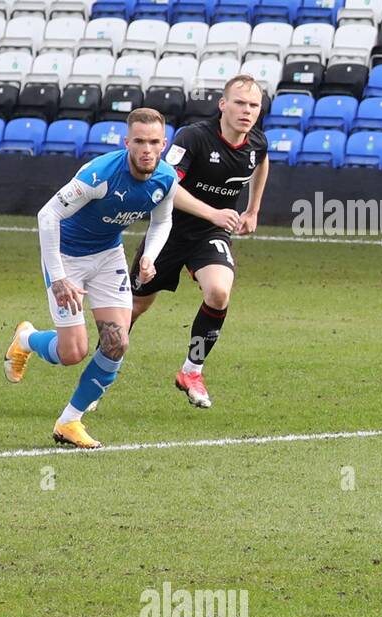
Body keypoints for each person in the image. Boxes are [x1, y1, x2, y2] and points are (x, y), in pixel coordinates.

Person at [4, 108, 177, 449]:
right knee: (73, 353)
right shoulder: (100, 175)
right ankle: (26, 339)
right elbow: (48, 214)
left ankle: (69, 421)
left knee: (117, 343)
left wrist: (148, 257)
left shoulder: (166, 179)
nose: (147, 149)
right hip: (66, 259)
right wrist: (57, 277)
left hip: (109, 256)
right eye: (139, 141)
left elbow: (162, 221)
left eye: (154, 142)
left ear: (164, 144)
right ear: (126, 142)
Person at [130, 74, 270, 409]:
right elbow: (167, 186)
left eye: (253, 105)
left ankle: (192, 370)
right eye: (239, 102)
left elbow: (262, 163)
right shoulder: (193, 137)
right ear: (223, 104)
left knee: (219, 291)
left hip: (210, 235)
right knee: (133, 309)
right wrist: (214, 213)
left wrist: (252, 210)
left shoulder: (256, 143)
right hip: (169, 230)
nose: (246, 110)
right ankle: (103, 370)